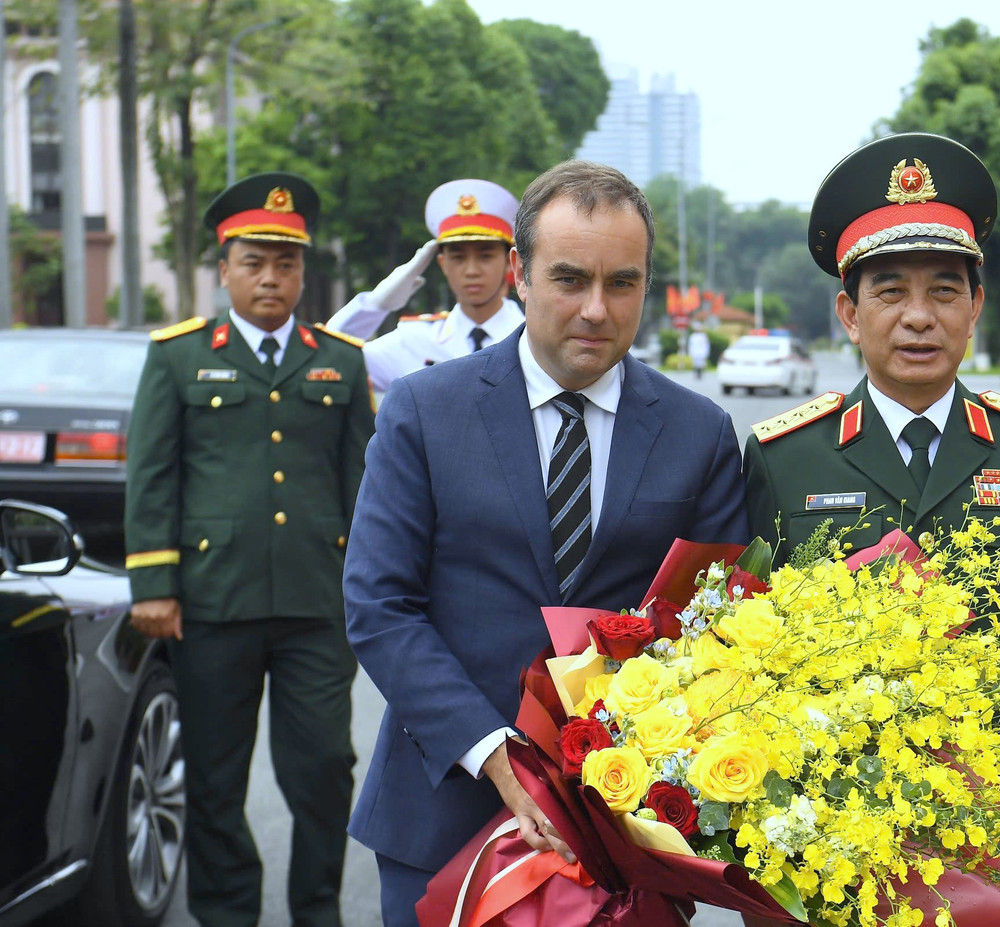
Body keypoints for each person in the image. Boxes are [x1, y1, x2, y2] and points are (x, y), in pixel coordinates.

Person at [342, 160, 749, 926]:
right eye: (570, 279)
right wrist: (496, 752)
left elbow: (719, 627)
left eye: (622, 283)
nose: (596, 309)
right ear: (521, 276)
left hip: (627, 834)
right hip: (442, 805)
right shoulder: (425, 413)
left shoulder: (698, 433)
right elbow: (378, 604)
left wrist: (637, 764)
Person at [742, 133, 1000, 927]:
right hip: (837, 850)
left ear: (976, 306)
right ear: (849, 312)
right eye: (889, 291)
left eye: (945, 290)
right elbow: (751, 666)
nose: (920, 317)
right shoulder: (785, 457)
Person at [124, 172, 375, 927]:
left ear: (303, 271)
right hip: (210, 601)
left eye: (286, 263)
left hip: (315, 601)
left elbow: (363, 486)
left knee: (327, 767)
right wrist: (153, 583)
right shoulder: (178, 357)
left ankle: (316, 910)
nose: (271, 277)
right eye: (254, 262)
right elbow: (152, 473)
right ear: (224, 267)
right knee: (214, 776)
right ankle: (227, 911)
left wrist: (373, 592)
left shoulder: (340, 359)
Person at [326, 178, 525, 394]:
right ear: (442, 263)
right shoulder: (415, 340)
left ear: (509, 263)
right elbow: (329, 355)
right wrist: (375, 305)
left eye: (485, 256)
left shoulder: (533, 337)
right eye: (458, 257)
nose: (471, 271)